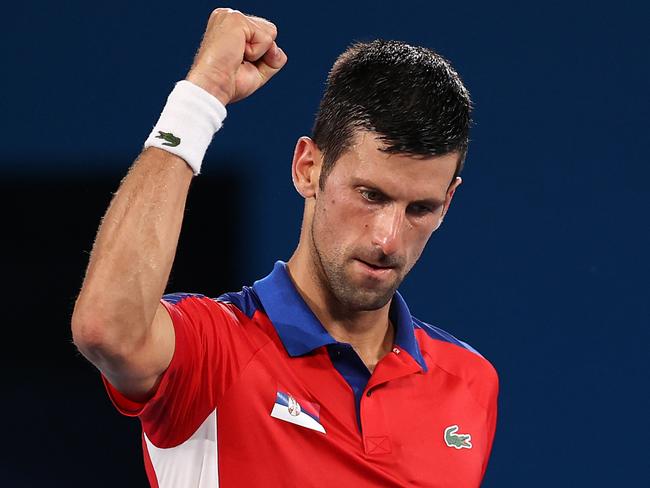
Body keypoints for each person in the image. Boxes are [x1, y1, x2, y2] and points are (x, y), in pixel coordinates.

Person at [72, 7, 498, 488]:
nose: (388, 239)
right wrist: (201, 95)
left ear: (449, 201)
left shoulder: (470, 382)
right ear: (308, 168)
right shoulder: (213, 350)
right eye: (370, 195)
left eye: (420, 208)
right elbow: (107, 329)